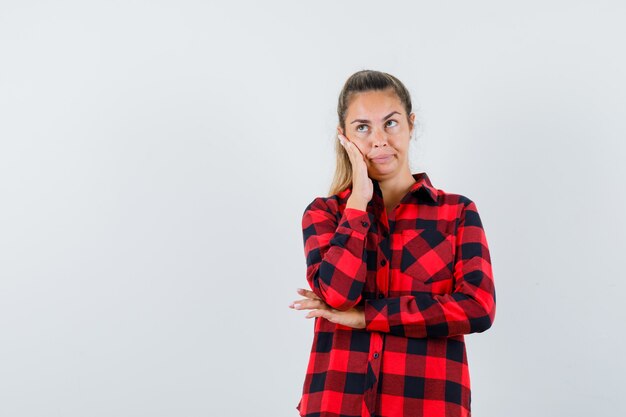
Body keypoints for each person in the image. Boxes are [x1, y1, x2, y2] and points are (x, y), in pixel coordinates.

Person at [288, 70, 496, 417]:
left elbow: (478, 307)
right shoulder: (325, 214)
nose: (379, 140)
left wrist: (367, 317)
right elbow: (339, 295)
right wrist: (357, 203)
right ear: (344, 137)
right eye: (363, 128)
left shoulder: (456, 213)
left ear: (412, 125)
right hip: (337, 404)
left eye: (391, 123)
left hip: (427, 405)